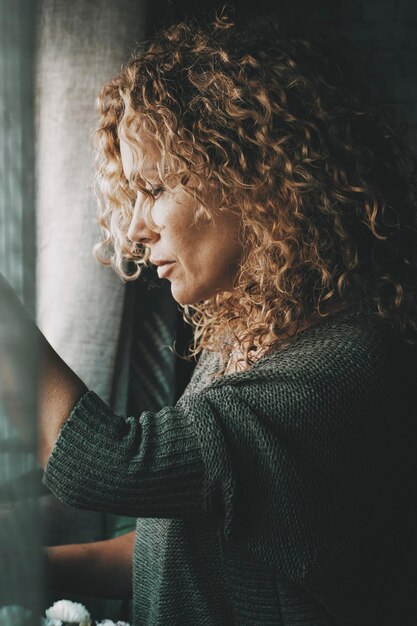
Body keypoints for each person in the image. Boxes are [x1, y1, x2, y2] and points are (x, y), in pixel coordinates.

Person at [1, 10, 417, 626]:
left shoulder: (340, 372)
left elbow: (107, 467)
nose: (137, 230)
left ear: (253, 180)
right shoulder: (247, 335)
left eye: (157, 187)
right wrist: (36, 568)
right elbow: (194, 545)